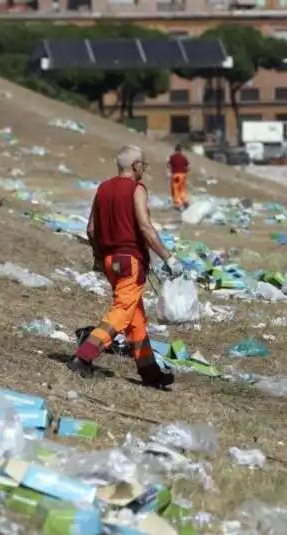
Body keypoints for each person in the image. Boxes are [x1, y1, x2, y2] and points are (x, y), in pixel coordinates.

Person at [71, 145, 184, 386]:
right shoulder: (136, 189)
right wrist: (168, 257)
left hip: (111, 261)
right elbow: (145, 228)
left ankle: (150, 373)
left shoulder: (103, 188)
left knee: (136, 320)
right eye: (143, 164)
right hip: (130, 260)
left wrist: (99, 256)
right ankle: (84, 355)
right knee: (122, 312)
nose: (145, 168)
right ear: (135, 166)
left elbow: (91, 229)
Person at [167, 144, 190, 211]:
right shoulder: (183, 157)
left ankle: (177, 205)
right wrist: (185, 172)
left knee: (176, 190)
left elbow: (168, 166)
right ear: (181, 150)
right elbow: (188, 166)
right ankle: (185, 202)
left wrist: (169, 173)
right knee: (182, 189)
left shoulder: (172, 157)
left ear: (175, 150)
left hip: (175, 175)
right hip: (183, 175)